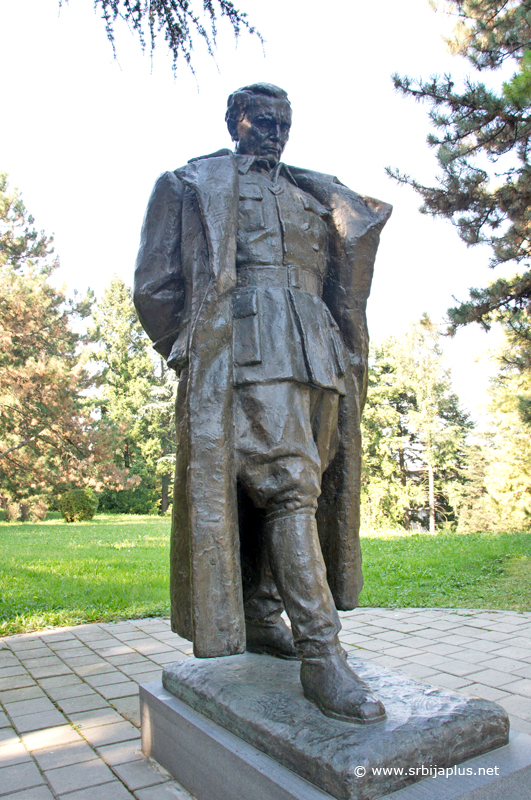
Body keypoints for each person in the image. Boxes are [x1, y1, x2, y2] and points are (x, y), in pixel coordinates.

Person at [134, 83, 392, 724]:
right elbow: (155, 286)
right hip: (246, 346)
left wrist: (346, 348)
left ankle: (261, 609)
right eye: (264, 120)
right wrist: (198, 351)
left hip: (317, 352)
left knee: (309, 482)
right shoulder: (189, 183)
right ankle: (322, 654)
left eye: (285, 121)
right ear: (235, 122)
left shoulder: (314, 191)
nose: (276, 131)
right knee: (288, 487)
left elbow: (341, 281)